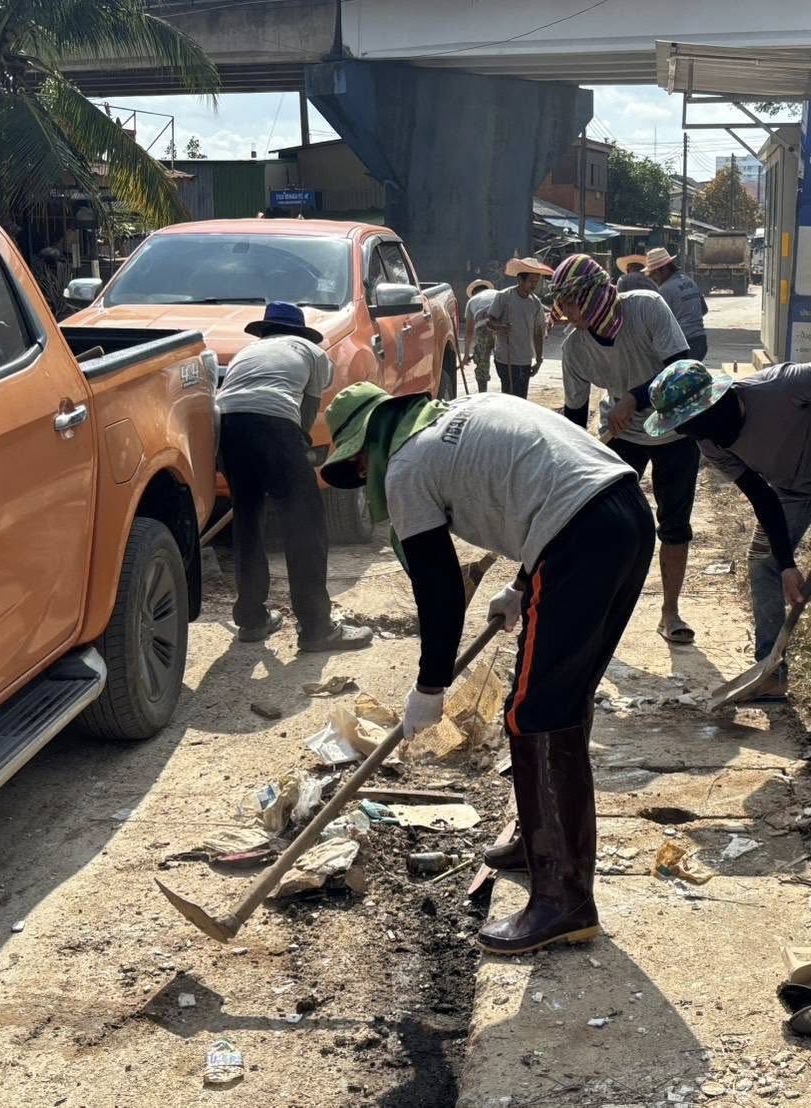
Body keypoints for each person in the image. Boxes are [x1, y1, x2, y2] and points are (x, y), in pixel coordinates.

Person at [320, 384, 653, 954]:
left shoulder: (406, 466)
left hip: (578, 537)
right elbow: (535, 480)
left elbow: (441, 590)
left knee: (538, 712)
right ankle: (541, 841)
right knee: (554, 696)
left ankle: (564, 901)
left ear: (365, 447)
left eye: (354, 461)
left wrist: (430, 685)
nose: (360, 473)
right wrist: (520, 584)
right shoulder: (462, 414)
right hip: (622, 515)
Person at [644, 358, 811, 723]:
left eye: (690, 422)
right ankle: (771, 675)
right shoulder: (710, 443)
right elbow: (761, 496)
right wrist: (786, 565)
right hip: (791, 485)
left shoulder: (778, 387)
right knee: (763, 560)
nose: (690, 433)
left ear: (714, 403)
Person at [552, 252, 697, 644]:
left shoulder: (646, 308)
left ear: (591, 293)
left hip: (676, 431)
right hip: (621, 436)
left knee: (674, 524)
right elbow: (574, 415)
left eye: (568, 300)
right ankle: (599, 609)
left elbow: (681, 367)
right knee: (606, 523)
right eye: (559, 302)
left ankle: (670, 612)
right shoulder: (575, 349)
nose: (563, 311)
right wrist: (569, 470)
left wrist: (634, 399)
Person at [216, 302, 373, 653]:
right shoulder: (311, 351)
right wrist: (296, 453)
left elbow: (233, 395)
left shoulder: (247, 351)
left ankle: (252, 620)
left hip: (226, 425)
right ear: (298, 332)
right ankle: (317, 628)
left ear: (265, 331)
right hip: (273, 422)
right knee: (305, 522)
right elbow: (307, 409)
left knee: (247, 520)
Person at [484, 257, 551, 399]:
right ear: (520, 280)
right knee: (508, 396)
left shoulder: (536, 303)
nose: (534, 285)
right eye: (531, 281)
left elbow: (538, 332)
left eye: (536, 281)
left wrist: (539, 359)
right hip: (505, 357)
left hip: (525, 359)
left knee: (521, 398)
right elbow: (489, 322)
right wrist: (500, 327)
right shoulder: (504, 297)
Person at [643, 247, 708, 363]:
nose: (653, 279)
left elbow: (657, 323)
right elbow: (704, 309)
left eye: (653, 274)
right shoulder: (689, 281)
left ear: (662, 270)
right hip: (700, 341)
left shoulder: (665, 289)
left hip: (683, 346)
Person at [462, 278, 498, 393]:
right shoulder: (497, 294)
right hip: (502, 325)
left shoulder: (472, 301)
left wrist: (466, 355)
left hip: (483, 326)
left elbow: (469, 332)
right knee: (505, 360)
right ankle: (509, 389)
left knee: (482, 362)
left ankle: (483, 392)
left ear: (473, 292)